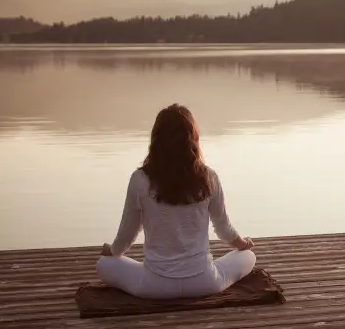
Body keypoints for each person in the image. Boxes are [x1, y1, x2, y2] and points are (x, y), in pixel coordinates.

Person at [96, 103, 257, 299]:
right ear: (193, 140)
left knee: (103, 265)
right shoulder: (209, 177)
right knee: (248, 256)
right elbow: (223, 229)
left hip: (154, 286)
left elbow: (128, 233)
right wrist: (242, 244)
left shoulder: (139, 179)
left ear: (156, 141)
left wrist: (112, 252)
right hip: (205, 282)